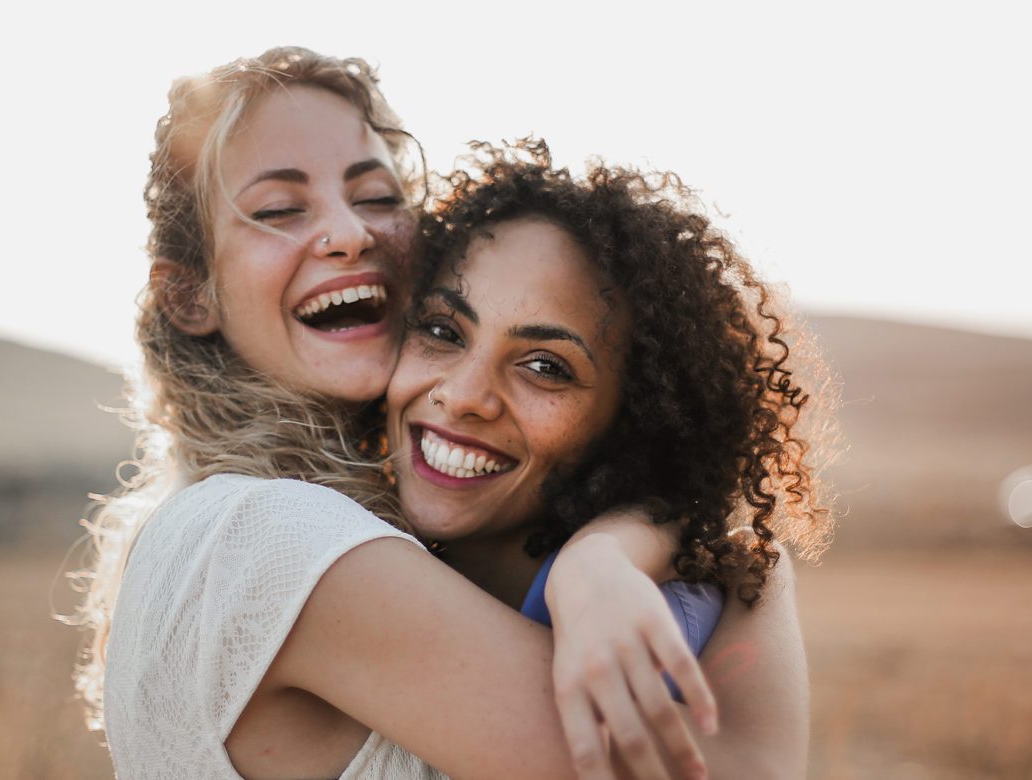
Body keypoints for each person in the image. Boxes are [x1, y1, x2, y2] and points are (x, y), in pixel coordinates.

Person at [71, 47, 832, 780]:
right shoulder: (269, 538)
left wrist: (613, 548)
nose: (349, 232)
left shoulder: (344, 538)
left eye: (376, 197)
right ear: (188, 294)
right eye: (277, 209)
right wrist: (746, 560)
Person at [383, 139, 836, 775]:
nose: (461, 397)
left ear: (635, 422)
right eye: (442, 330)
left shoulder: (653, 628)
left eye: (545, 367)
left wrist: (599, 562)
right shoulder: (333, 527)